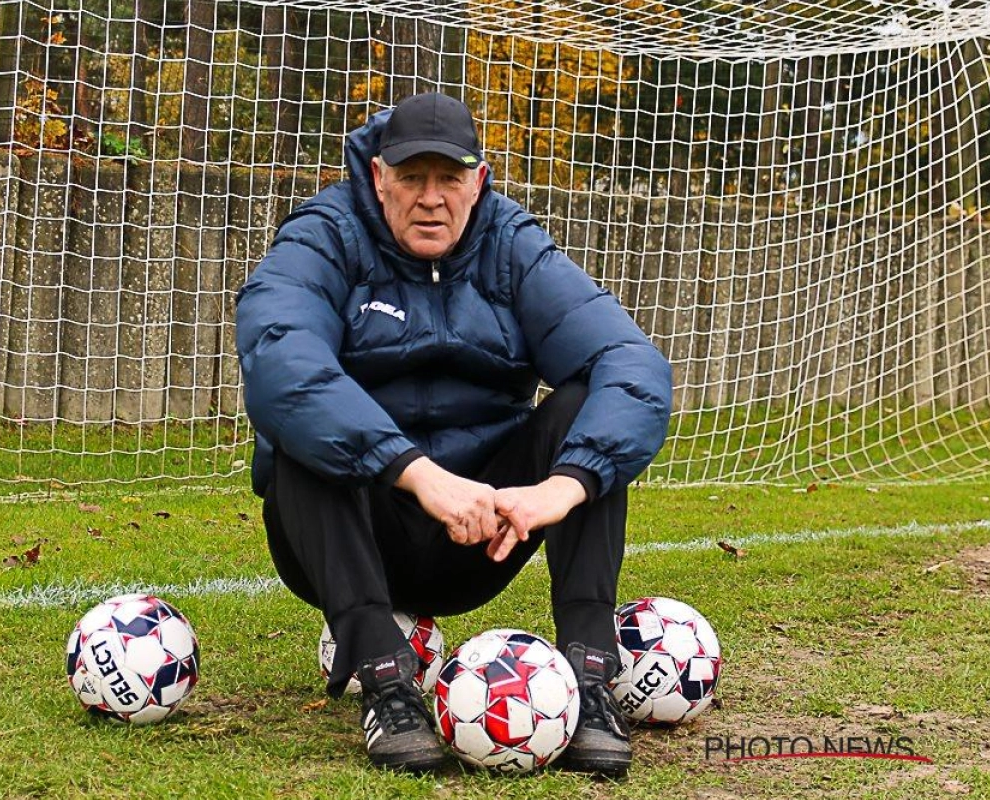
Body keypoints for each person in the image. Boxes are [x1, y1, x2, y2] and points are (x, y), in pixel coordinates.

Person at [235, 92, 672, 777]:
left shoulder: (511, 245)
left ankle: (588, 678)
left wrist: (561, 488)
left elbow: (632, 365)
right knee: (304, 421)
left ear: (480, 179)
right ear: (379, 177)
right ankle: (384, 680)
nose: (431, 198)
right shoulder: (325, 233)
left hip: (481, 536)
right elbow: (279, 356)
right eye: (412, 179)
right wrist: (416, 471)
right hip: (350, 531)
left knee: (587, 411)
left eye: (450, 178)